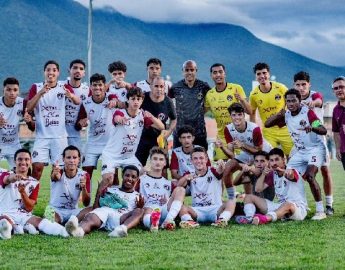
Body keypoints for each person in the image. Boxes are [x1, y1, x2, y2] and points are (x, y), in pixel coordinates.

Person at [265, 89, 328, 220]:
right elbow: (267, 124)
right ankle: (294, 206)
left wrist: (313, 127)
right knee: (286, 175)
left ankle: (320, 211)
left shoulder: (308, 113)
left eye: (294, 100)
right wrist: (278, 115)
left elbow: (323, 130)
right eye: (288, 101)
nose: (291, 103)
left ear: (300, 101)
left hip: (314, 149)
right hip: (300, 152)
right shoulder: (287, 115)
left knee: (310, 177)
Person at [98, 86, 164, 202]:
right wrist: (120, 119)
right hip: (111, 155)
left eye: (138, 99)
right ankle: (96, 204)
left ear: (142, 101)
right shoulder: (121, 112)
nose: (136, 101)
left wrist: (151, 117)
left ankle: (133, 203)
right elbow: (117, 117)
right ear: (128, 100)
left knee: (143, 175)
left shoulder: (142, 116)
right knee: (108, 179)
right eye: (133, 99)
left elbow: (161, 127)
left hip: (129, 157)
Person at [26, 60, 80, 181]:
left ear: (58, 73)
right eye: (48, 70)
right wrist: (41, 93)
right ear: (44, 72)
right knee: (37, 168)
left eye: (54, 70)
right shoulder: (36, 87)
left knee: (58, 170)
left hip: (59, 137)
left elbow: (77, 101)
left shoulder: (63, 86)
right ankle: (31, 198)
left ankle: (57, 198)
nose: (51, 72)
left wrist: (70, 96)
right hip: (42, 136)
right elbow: (29, 107)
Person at [0, 149, 69, 239]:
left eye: (26, 159)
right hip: (4, 212)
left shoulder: (34, 182)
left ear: (31, 161)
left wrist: (23, 193)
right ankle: (11, 228)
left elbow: (29, 208)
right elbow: (7, 179)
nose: (23, 162)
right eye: (20, 159)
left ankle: (64, 232)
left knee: (41, 221)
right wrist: (15, 177)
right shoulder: (5, 173)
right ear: (14, 161)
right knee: (5, 221)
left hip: (21, 214)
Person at [293, 71, 334, 215]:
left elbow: (319, 101)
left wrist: (312, 103)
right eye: (298, 84)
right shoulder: (293, 99)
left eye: (304, 84)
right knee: (294, 172)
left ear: (309, 85)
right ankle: (299, 203)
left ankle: (329, 204)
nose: (301, 87)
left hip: (317, 139)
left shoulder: (315, 95)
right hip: (300, 142)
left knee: (325, 170)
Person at [65, 165, 144, 238]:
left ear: (137, 179)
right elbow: (96, 207)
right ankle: (78, 231)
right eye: (127, 175)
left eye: (133, 177)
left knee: (140, 211)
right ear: (122, 176)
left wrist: (139, 207)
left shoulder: (138, 196)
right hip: (105, 211)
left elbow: (136, 217)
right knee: (91, 217)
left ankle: (121, 230)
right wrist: (99, 191)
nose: (130, 179)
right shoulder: (111, 189)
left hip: (121, 217)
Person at [236, 148, 307, 225]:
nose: (274, 163)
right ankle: (249, 218)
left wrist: (286, 172)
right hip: (280, 207)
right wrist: (263, 174)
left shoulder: (292, 170)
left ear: (283, 160)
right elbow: (258, 189)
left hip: (297, 209)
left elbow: (291, 174)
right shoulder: (273, 174)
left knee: (288, 204)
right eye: (272, 160)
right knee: (249, 197)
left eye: (277, 160)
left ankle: (265, 219)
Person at [218, 103, 271, 200]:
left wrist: (242, 145)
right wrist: (222, 147)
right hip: (247, 154)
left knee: (258, 175)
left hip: (264, 153)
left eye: (239, 114)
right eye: (234, 115)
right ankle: (232, 199)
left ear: (244, 115)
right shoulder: (228, 129)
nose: (237, 118)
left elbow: (258, 150)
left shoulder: (254, 128)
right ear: (230, 116)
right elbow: (231, 155)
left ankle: (256, 198)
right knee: (227, 168)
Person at [177, 147, 236, 228]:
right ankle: (189, 221)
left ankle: (222, 220)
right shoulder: (189, 174)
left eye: (201, 158)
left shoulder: (213, 171)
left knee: (231, 202)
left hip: (215, 209)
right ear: (191, 161)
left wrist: (221, 167)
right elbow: (178, 186)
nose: (198, 161)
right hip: (198, 210)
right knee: (181, 207)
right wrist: (186, 178)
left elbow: (220, 171)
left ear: (206, 159)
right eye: (195, 158)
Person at [205, 63, 251, 161]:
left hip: (239, 136)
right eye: (215, 72)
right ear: (211, 75)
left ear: (225, 73)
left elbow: (249, 111)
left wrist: (242, 100)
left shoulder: (236, 88)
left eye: (220, 72)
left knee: (242, 166)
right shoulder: (209, 94)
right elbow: (203, 112)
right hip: (222, 136)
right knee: (221, 168)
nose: (218, 75)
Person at [75, 73, 116, 179]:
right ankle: (86, 195)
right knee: (86, 173)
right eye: (94, 85)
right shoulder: (86, 103)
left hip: (110, 144)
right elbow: (78, 125)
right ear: (90, 87)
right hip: (93, 143)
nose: (97, 87)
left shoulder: (112, 99)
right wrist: (81, 124)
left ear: (104, 86)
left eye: (100, 85)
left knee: (111, 175)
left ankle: (114, 195)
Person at [249, 62, 293, 157]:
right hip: (268, 131)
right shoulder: (253, 94)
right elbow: (252, 114)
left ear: (268, 74)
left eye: (264, 73)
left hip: (285, 129)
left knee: (292, 157)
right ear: (255, 77)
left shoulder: (281, 88)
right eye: (258, 74)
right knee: (268, 158)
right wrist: (254, 131)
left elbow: (293, 102)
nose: (262, 76)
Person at [140, 147, 185, 231]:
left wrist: (168, 200)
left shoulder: (168, 183)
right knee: (149, 209)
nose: (158, 162)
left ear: (165, 163)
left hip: (164, 210)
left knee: (181, 189)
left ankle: (168, 220)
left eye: (161, 159)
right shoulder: (141, 179)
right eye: (155, 159)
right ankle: (152, 223)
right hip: (148, 210)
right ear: (150, 161)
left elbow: (179, 201)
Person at [135, 77, 176, 169]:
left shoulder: (168, 101)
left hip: (160, 138)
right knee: (137, 167)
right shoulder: (143, 98)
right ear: (150, 86)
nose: (159, 89)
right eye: (156, 86)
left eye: (161, 86)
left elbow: (174, 119)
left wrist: (169, 132)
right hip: (142, 138)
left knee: (163, 169)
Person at [169, 60, 210, 149]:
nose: (189, 72)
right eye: (187, 70)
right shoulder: (175, 87)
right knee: (179, 160)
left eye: (192, 70)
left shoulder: (203, 86)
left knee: (201, 160)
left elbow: (211, 101)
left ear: (196, 71)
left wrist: (200, 112)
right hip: (180, 132)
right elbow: (167, 103)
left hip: (199, 132)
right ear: (183, 71)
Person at [45, 145, 91, 224]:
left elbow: (86, 203)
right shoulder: (58, 170)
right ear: (63, 159)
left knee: (92, 209)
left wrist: (84, 188)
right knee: (50, 219)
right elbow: (56, 177)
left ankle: (72, 221)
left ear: (79, 159)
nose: (72, 160)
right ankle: (69, 223)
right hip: (55, 209)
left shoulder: (84, 175)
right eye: (68, 157)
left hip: (73, 211)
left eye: (74, 157)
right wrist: (55, 174)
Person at [0, 77, 33, 170]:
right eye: (8, 90)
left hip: (14, 144)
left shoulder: (22, 103)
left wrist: (29, 120)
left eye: (15, 90)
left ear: (18, 91)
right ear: (3, 91)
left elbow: (32, 127)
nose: (12, 93)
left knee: (21, 172)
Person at [63, 59, 90, 151]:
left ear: (84, 73)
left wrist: (84, 121)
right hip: (58, 134)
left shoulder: (87, 90)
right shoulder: (60, 86)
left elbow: (88, 111)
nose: (78, 70)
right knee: (58, 164)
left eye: (81, 69)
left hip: (75, 133)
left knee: (76, 163)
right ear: (69, 70)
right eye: (75, 68)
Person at [332, 76, 345, 170]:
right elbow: (336, 132)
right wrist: (337, 149)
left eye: (341, 87)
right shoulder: (335, 110)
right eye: (336, 88)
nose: (339, 90)